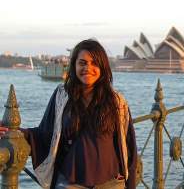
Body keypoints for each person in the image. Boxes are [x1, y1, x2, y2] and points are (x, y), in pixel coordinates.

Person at [0, 39, 137, 189]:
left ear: (103, 67)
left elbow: (129, 146)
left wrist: (129, 185)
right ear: (74, 65)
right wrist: (13, 132)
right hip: (70, 183)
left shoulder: (117, 101)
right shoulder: (62, 95)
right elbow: (44, 134)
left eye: (94, 63)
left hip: (111, 183)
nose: (88, 68)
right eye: (82, 63)